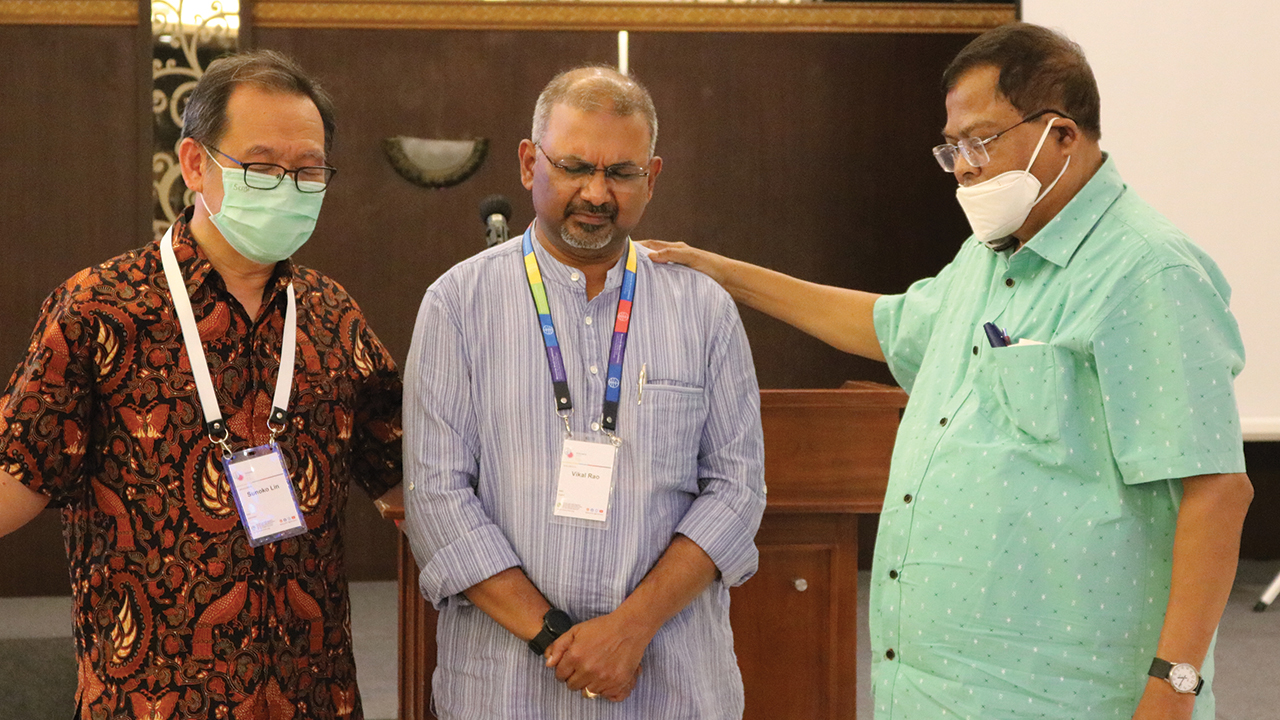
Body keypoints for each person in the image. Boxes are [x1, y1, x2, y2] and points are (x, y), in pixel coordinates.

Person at [644, 22, 1252, 720]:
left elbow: (1216, 492)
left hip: (1076, 697)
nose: (964, 166)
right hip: (946, 692)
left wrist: (1173, 689)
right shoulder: (991, 256)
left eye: (982, 140)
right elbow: (884, 325)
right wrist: (723, 273)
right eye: (953, 147)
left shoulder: (1148, 271)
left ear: (1062, 135)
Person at [0, 50, 402, 719]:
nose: (288, 186)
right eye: (263, 166)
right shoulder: (103, 308)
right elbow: (16, 474)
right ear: (194, 164)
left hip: (312, 697)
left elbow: (405, 484)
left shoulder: (334, 316)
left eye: (307, 170)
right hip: (149, 698)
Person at [401, 65, 766, 719]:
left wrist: (628, 631)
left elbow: (737, 493)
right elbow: (437, 499)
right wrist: (560, 640)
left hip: (673, 682)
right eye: (573, 166)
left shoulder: (704, 308)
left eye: (621, 173)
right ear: (527, 163)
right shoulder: (458, 304)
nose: (596, 193)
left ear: (651, 178)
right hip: (508, 687)